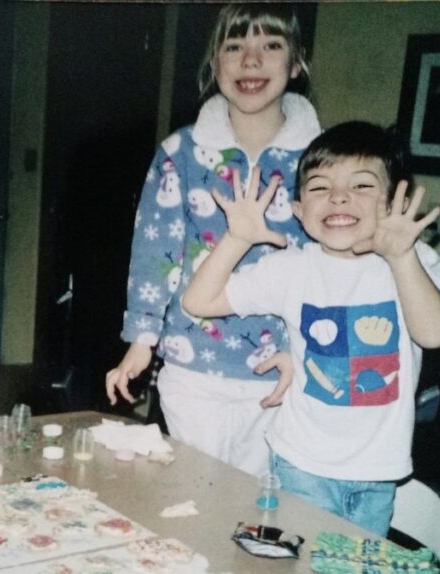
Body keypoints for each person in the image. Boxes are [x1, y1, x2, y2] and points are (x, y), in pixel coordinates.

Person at [182, 120, 440, 536]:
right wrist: (238, 239)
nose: (339, 196)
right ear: (298, 210)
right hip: (300, 466)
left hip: (379, 472)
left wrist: (402, 257)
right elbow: (198, 301)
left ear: (393, 202)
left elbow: (435, 334)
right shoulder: (292, 267)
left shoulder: (413, 261)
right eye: (319, 187)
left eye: (362, 186)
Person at [105, 3, 321, 478]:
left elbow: (327, 265)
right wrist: (142, 340)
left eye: (271, 46)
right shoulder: (181, 152)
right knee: (191, 496)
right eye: (234, 45)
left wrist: (311, 353)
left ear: (297, 62)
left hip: (281, 370)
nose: (251, 60)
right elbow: (154, 251)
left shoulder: (319, 160)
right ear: (214, 62)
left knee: (256, 512)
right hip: (192, 366)